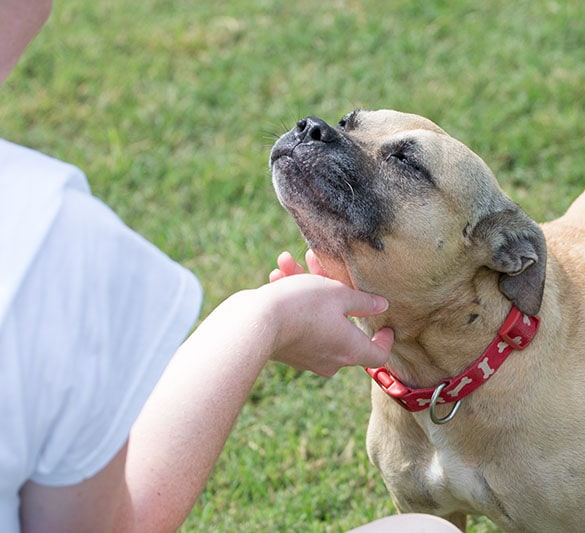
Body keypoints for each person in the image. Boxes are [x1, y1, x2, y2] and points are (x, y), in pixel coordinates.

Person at [1, 1, 461, 531]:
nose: (317, 130)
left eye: (402, 161)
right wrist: (265, 319)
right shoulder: (47, 234)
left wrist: (265, 316)